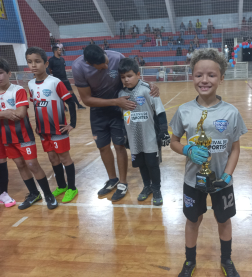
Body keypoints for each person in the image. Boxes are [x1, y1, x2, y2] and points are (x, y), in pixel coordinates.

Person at [170, 48, 247, 277]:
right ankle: (189, 262)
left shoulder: (231, 113)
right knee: (193, 220)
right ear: (192, 77)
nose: (204, 80)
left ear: (221, 78)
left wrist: (228, 175)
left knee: (223, 220)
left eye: (211, 75)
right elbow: (173, 142)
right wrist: (186, 149)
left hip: (222, 181)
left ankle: (227, 260)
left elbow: (235, 147)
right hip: (193, 181)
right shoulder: (183, 111)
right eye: (198, 75)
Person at [72, 45, 160, 201]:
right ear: (89, 64)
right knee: (103, 147)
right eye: (102, 66)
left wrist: (148, 84)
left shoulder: (117, 56)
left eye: (106, 62)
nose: (107, 66)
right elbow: (86, 99)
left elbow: (130, 74)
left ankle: (123, 183)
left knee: (119, 145)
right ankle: (112, 179)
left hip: (120, 107)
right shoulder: (78, 68)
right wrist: (115, 101)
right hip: (99, 109)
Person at [1, 57, 59, 210]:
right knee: (20, 165)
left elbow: (20, 113)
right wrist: (5, 113)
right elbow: (10, 114)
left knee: (32, 164)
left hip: (23, 135)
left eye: (0, 73)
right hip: (6, 137)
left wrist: (7, 113)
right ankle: (34, 193)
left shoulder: (18, 90)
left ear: (8, 73)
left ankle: (48, 194)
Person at [26, 47, 79, 204]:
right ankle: (61, 186)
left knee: (64, 157)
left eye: (37, 61)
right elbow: (37, 106)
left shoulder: (55, 82)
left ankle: (72, 188)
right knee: (52, 158)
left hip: (58, 128)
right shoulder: (30, 84)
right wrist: (37, 126)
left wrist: (72, 124)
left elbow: (70, 102)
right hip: (43, 131)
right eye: (30, 62)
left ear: (46, 63)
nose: (33, 65)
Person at [118, 58, 170, 205]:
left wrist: (164, 131)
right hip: (134, 138)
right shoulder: (120, 94)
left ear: (138, 74)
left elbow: (160, 111)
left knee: (152, 164)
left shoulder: (147, 90)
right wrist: (125, 135)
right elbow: (123, 116)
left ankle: (157, 189)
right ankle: (147, 186)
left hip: (150, 137)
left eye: (129, 76)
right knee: (141, 163)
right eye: (123, 77)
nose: (126, 80)